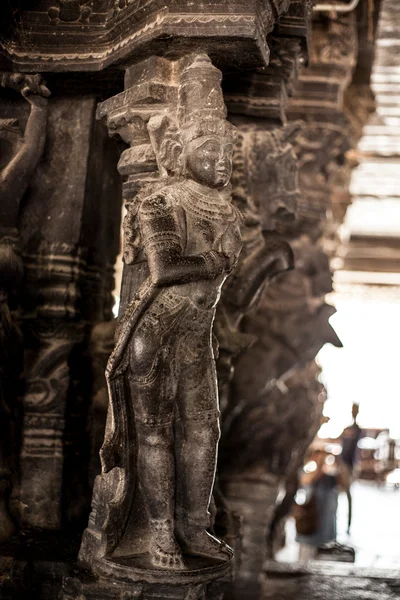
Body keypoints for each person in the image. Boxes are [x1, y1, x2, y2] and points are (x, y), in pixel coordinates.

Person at [295, 444, 348, 562]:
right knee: (304, 558)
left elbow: (344, 484)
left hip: (326, 524)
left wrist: (339, 462)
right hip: (309, 522)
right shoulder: (305, 470)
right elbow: (307, 480)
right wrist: (319, 464)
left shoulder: (331, 476)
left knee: (322, 559)